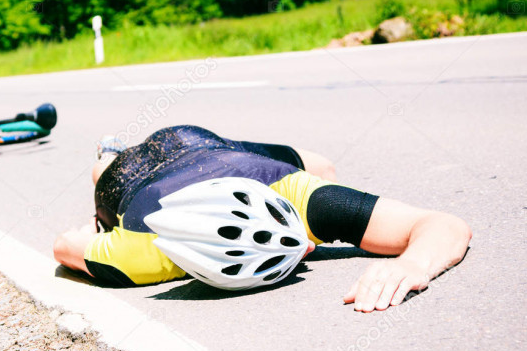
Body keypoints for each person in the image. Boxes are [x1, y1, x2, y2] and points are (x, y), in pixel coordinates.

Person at [54, 126, 471, 313]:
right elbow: (66, 247)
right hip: (128, 174)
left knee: (323, 169)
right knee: (101, 171)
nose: (311, 249)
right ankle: (108, 152)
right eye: (308, 249)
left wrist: (415, 263)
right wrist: (97, 236)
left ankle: (110, 151)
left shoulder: (294, 193)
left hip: (209, 147)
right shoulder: (147, 252)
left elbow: (443, 225)